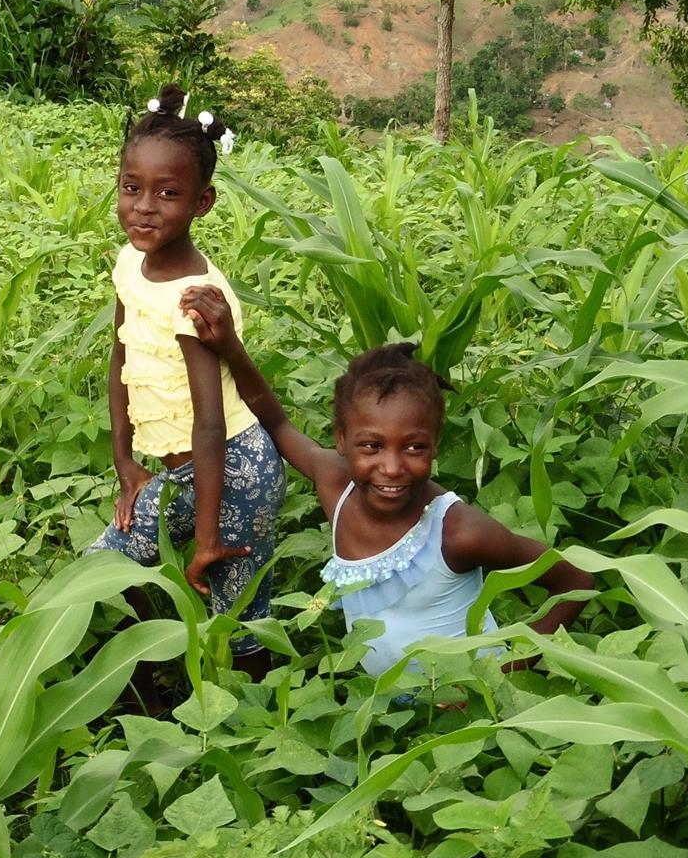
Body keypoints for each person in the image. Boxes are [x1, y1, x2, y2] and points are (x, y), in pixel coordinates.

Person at [183, 292, 593, 683]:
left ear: (435, 444)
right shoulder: (337, 486)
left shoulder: (457, 532)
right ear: (341, 439)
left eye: (414, 447)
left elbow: (576, 580)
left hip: (466, 712)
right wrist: (230, 347)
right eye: (372, 446)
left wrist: (500, 675)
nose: (392, 468)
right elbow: (277, 422)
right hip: (381, 707)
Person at [89, 84, 283, 669]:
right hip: (178, 475)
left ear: (203, 202)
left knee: (239, 623)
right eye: (132, 188)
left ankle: (250, 706)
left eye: (168, 193)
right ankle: (144, 678)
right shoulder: (130, 262)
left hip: (235, 471)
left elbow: (210, 423)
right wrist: (125, 463)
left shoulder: (195, 298)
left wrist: (205, 538)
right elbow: (121, 358)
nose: (144, 207)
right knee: (97, 574)